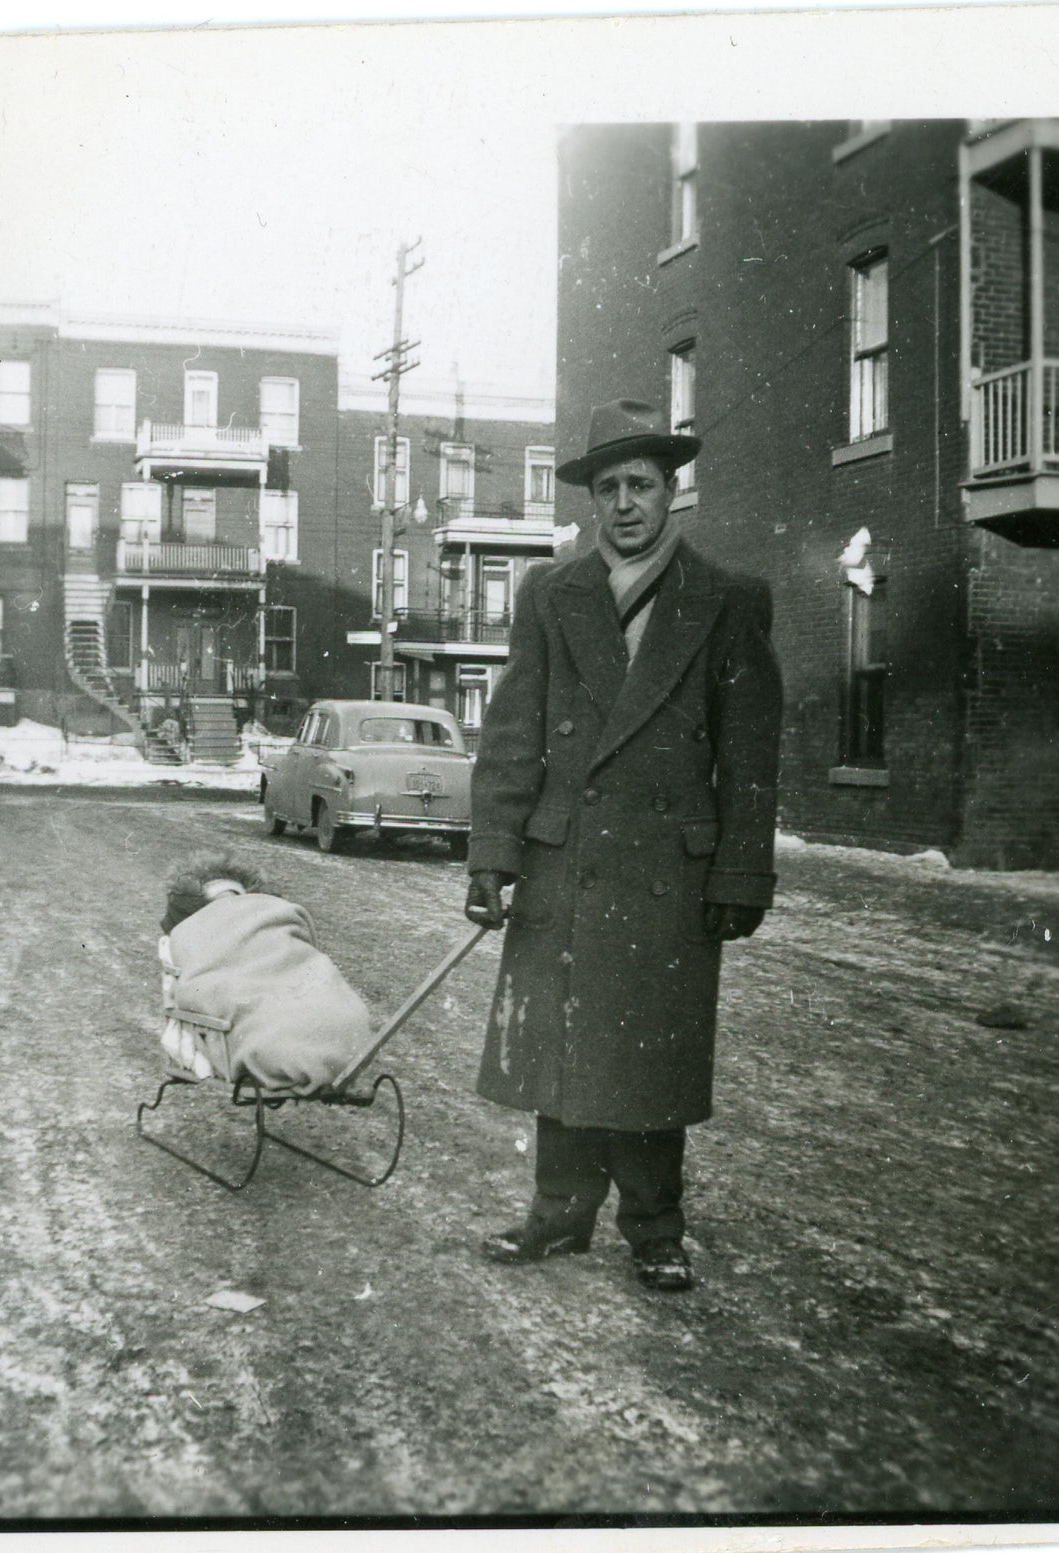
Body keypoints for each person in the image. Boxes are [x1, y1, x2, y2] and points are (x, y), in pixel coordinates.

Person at [464, 399, 783, 1293]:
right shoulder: (550, 593)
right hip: (563, 856)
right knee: (562, 1050)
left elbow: (749, 755)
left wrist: (740, 870)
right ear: (590, 502)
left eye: (640, 484)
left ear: (670, 491)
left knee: (649, 1057)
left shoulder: (724, 600)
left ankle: (653, 1228)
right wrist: (493, 851)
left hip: (665, 874)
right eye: (607, 488)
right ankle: (557, 1216)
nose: (624, 504)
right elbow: (512, 733)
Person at [158, 850, 371, 1094]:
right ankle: (315, 1046)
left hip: (290, 989)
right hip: (276, 1007)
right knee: (253, 1004)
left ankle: (310, 1041)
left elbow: (297, 953)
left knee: (307, 987)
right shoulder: (196, 920)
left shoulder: (270, 910)